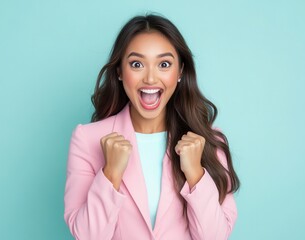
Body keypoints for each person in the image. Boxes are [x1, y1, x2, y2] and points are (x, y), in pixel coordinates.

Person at [64, 14, 240, 240]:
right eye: (136, 64)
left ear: (180, 72)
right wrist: (110, 174)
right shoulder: (87, 139)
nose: (150, 78)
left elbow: (214, 237)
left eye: (164, 64)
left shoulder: (208, 140)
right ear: (119, 71)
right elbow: (88, 236)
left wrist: (195, 173)